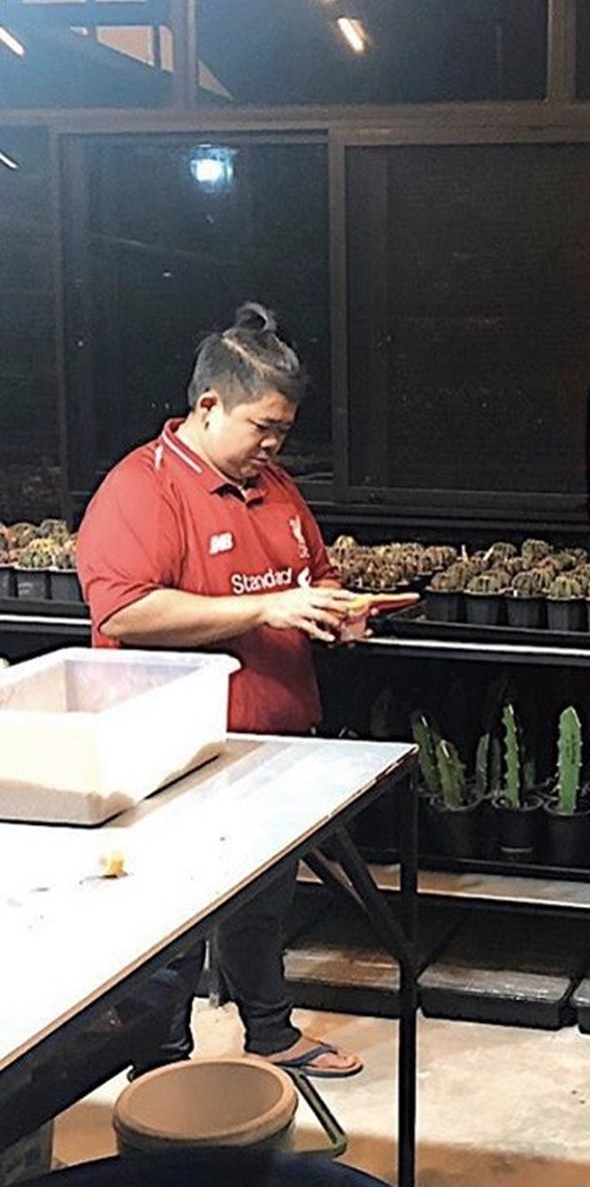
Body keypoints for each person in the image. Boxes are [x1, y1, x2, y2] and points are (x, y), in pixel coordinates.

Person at [76, 302, 366, 1079]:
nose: (273, 446)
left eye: (283, 431)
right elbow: (125, 612)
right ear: (208, 405)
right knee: (170, 924)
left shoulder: (275, 487)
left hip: (275, 742)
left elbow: (313, 575)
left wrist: (335, 612)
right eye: (261, 427)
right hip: (180, 757)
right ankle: (163, 1068)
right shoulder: (142, 488)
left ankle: (269, 1032)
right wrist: (264, 609)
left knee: (265, 904)